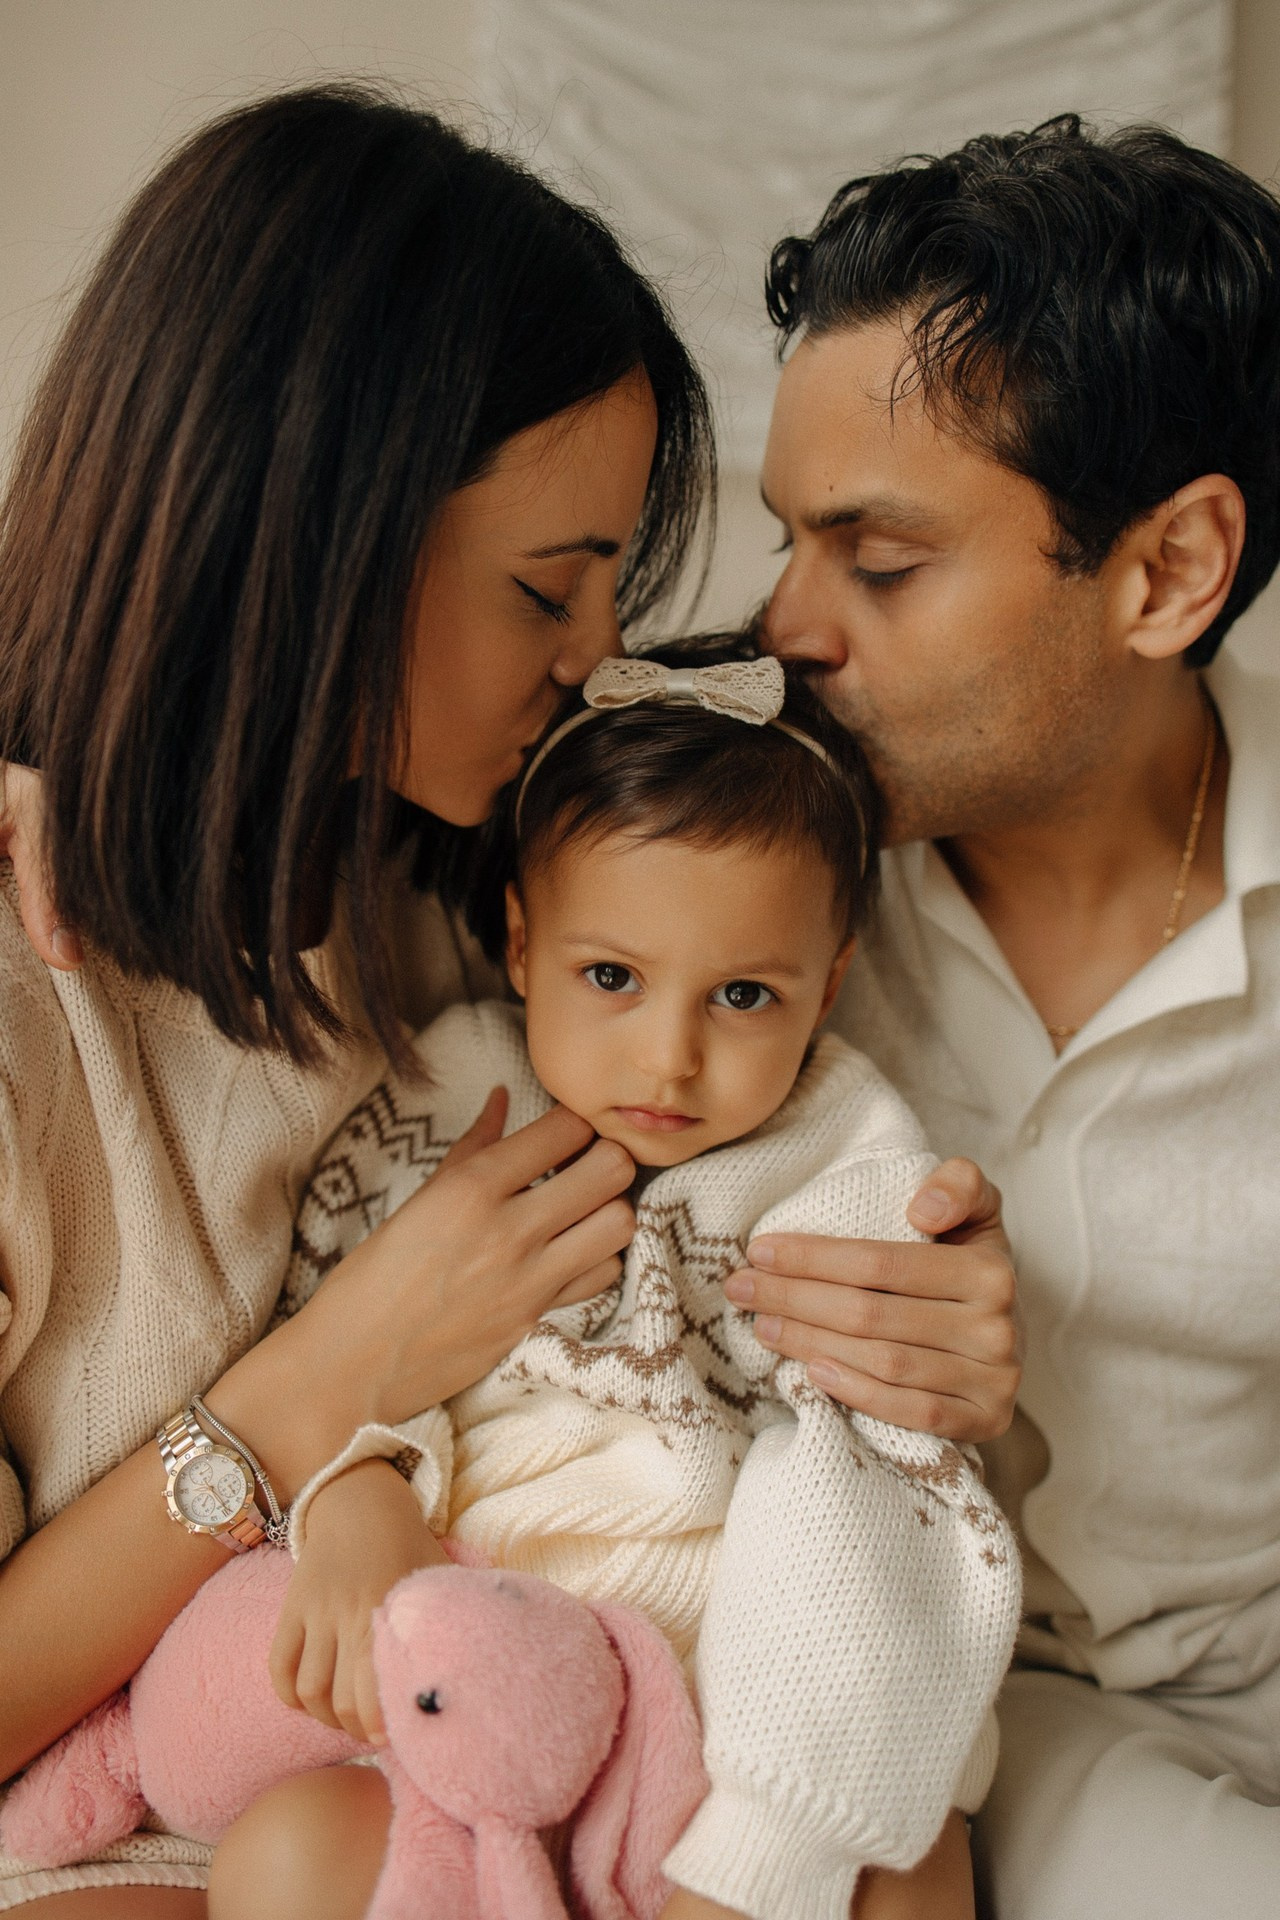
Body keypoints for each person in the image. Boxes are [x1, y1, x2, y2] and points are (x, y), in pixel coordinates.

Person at [0, 85, 1018, 1918]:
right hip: (163, 1797)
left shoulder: (445, 865)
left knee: (906, 1845)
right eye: (549, 591)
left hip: (542, 1704)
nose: (590, 662)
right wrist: (325, 1382)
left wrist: (921, 1316)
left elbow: (745, 858)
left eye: (610, 592)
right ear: (311, 539)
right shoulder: (33, 989)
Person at [194, 644, 1020, 1920]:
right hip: (487, 1686)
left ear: (831, 982)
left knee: (911, 1860)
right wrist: (357, 1489)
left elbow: (877, 1496)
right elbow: (331, 1340)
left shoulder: (844, 1162)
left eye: (743, 994)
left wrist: (763, 1852)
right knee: (286, 1856)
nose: (669, 1057)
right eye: (612, 978)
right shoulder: (442, 1097)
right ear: (521, 941)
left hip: (737, 1698)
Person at [748, 117, 1280, 1919]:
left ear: (1168, 573)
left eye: (877, 564)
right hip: (1002, 1716)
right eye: (788, 544)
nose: (782, 623)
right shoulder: (720, 875)